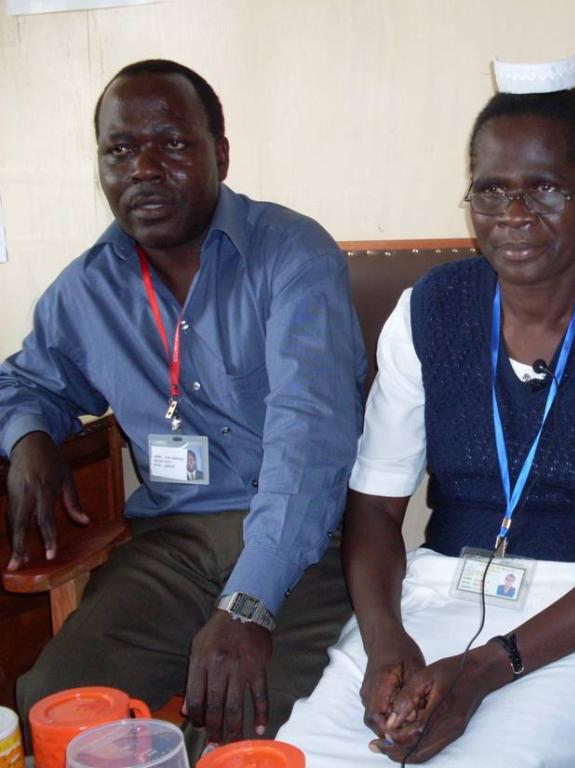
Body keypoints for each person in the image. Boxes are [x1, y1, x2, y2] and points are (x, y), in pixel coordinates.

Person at [278, 54, 575, 767]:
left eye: (545, 189)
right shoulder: (429, 309)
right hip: (437, 592)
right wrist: (386, 641)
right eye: (490, 190)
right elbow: (376, 511)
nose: (514, 216)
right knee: (309, 754)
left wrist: (483, 670)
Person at [1, 59, 365, 746]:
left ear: (219, 154)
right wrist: (27, 437)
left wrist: (248, 606)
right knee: (56, 700)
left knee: (250, 728)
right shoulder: (88, 289)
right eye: (119, 149)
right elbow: (25, 380)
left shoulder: (293, 256)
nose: (143, 167)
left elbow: (310, 439)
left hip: (303, 545)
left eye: (170, 143)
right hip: (168, 551)